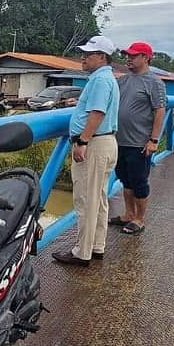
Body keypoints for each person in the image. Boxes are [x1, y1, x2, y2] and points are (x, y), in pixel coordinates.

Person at [52, 35, 120, 267]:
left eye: (88, 54)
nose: (83, 58)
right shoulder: (107, 78)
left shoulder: (100, 80)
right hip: (105, 142)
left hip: (94, 145)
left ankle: (82, 253)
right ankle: (96, 247)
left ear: (101, 57)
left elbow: (97, 113)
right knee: (98, 199)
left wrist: (82, 141)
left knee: (86, 200)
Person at [110, 41, 166, 236]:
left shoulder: (154, 82)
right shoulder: (123, 80)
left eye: (133, 56)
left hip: (139, 142)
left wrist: (153, 140)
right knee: (125, 179)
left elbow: (159, 111)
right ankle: (128, 214)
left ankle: (139, 219)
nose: (129, 59)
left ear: (145, 58)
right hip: (120, 140)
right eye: (128, 55)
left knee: (139, 181)